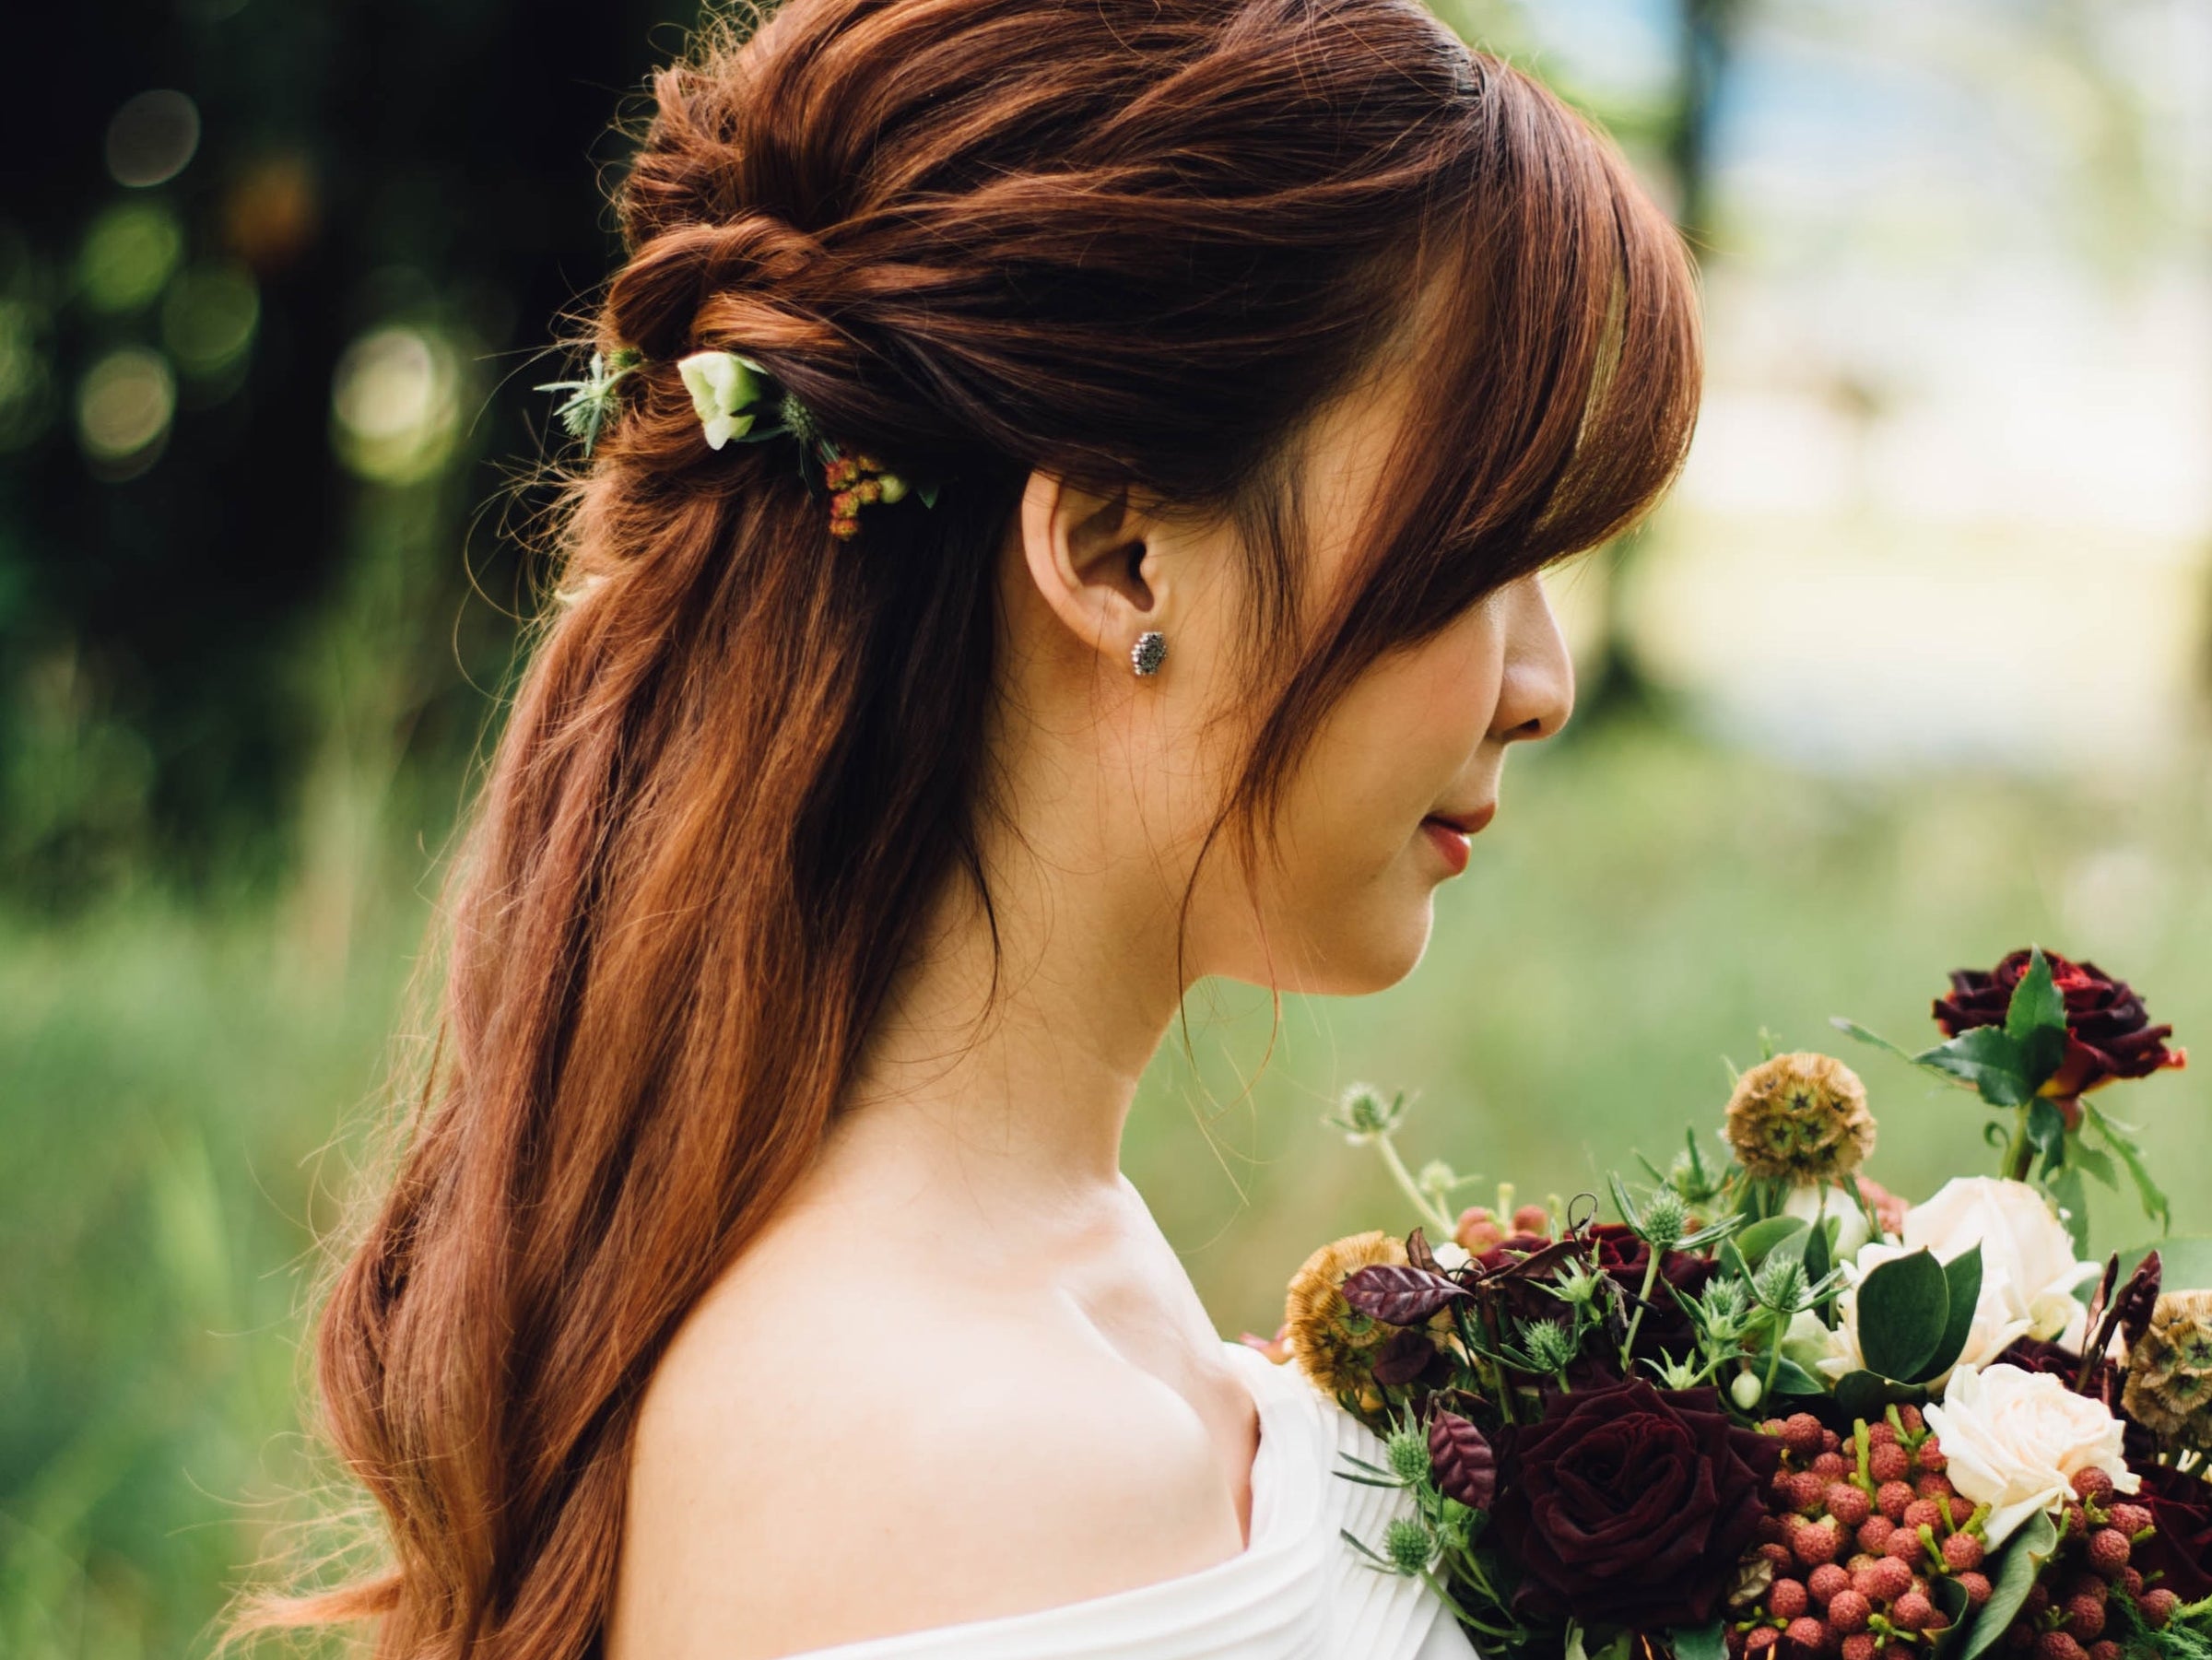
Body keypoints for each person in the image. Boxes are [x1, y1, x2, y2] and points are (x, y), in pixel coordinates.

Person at [238, 0, 1700, 1654]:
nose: (1542, 682)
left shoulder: (1030, 1289)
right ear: (1115, 551)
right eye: (1479, 547)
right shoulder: (961, 1457)